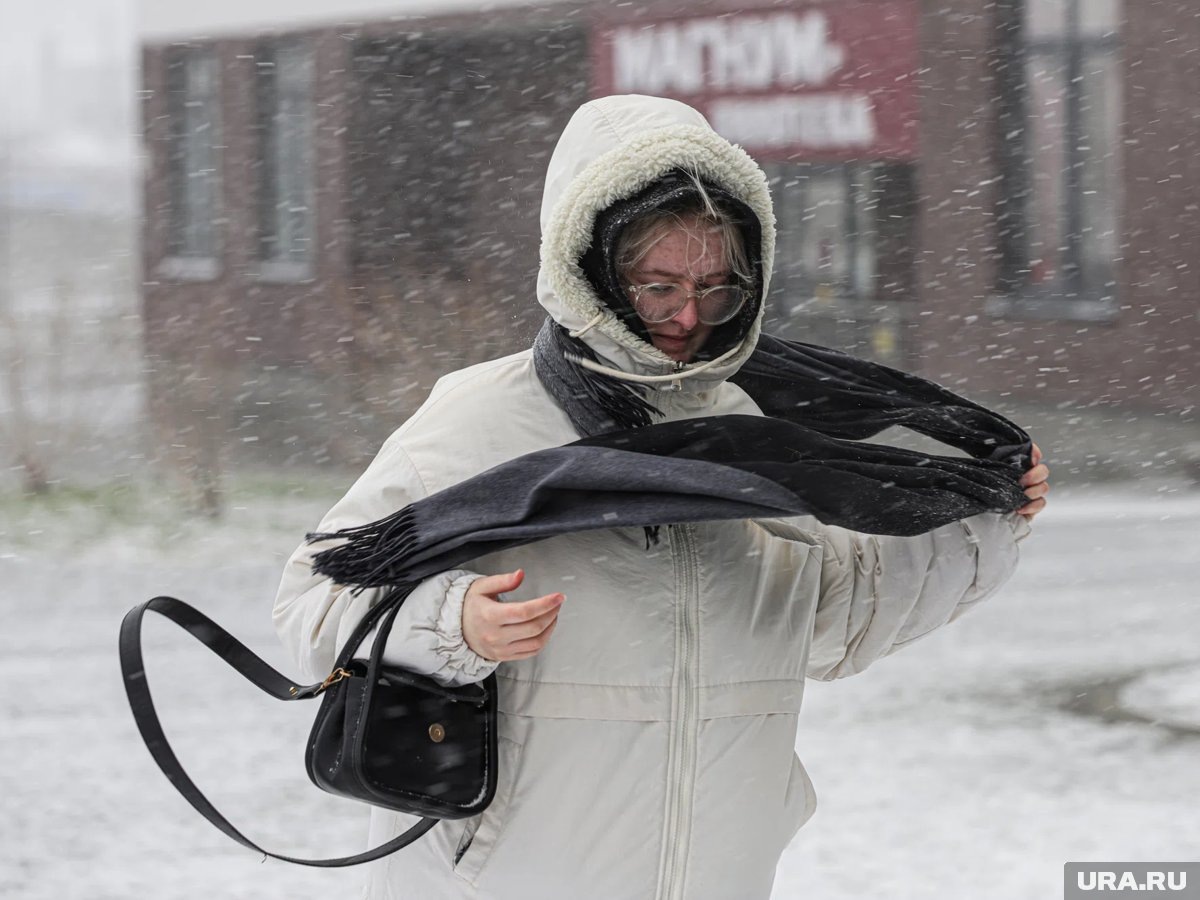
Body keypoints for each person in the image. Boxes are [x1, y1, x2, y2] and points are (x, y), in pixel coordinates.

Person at [274, 94, 1049, 900]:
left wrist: (984, 519)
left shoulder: (748, 428)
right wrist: (450, 623)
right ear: (591, 267)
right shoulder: (480, 418)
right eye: (658, 286)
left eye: (719, 288)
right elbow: (312, 604)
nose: (689, 315)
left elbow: (835, 618)